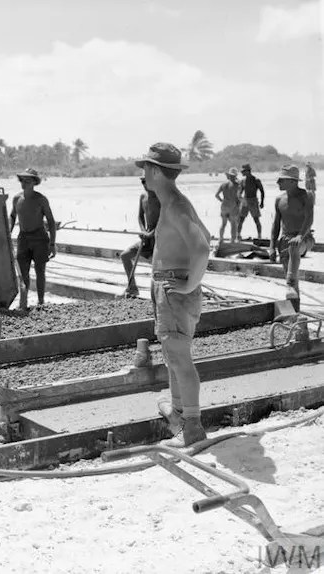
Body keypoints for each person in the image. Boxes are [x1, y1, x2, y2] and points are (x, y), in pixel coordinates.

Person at [135, 143, 211, 448]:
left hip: (175, 292)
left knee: (179, 358)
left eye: (145, 169)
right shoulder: (173, 203)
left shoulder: (176, 205)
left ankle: (192, 427)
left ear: (155, 171)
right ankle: (180, 418)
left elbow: (203, 248)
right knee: (173, 357)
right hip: (169, 290)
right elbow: (207, 235)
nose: (143, 175)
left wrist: (190, 284)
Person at [9, 168, 56, 309]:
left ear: (34, 183)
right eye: (23, 180)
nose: (24, 183)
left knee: (40, 271)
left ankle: (41, 302)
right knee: (23, 272)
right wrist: (8, 233)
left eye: (28, 180)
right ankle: (23, 302)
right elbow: (12, 217)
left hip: (39, 238)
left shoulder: (41, 199)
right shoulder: (17, 198)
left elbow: (51, 221)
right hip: (23, 238)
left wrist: (52, 243)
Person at [269, 165, 316, 300]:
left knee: (293, 249)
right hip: (285, 241)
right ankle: (294, 311)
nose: (278, 182)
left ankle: (289, 283)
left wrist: (300, 236)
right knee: (292, 282)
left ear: (292, 182)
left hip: (304, 239)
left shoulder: (306, 196)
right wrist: (272, 247)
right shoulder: (279, 199)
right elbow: (276, 225)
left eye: (281, 180)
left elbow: (309, 218)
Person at [119, 176, 160, 298]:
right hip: (146, 238)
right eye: (142, 181)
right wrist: (143, 231)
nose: (144, 184)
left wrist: (153, 233)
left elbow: (166, 219)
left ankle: (159, 294)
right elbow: (140, 216)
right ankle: (132, 287)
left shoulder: (161, 197)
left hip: (161, 238)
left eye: (146, 181)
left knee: (157, 266)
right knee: (125, 255)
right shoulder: (143, 196)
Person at [237, 163, 265, 240]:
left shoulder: (256, 180)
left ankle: (259, 236)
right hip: (245, 201)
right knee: (241, 219)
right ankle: (238, 235)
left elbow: (262, 191)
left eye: (243, 171)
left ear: (248, 171)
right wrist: (241, 199)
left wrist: (262, 202)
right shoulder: (243, 181)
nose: (242, 173)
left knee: (256, 219)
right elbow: (239, 192)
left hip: (253, 201)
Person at [214, 167, 241, 243]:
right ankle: (232, 240)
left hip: (224, 205)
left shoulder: (223, 184)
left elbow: (216, 195)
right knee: (233, 224)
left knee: (223, 223)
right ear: (235, 176)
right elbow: (239, 196)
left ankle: (221, 239)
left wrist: (222, 201)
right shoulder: (237, 184)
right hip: (233, 206)